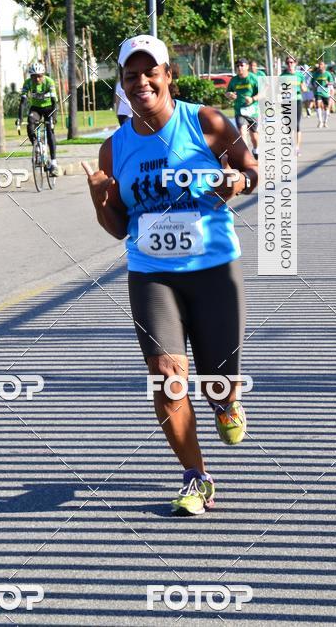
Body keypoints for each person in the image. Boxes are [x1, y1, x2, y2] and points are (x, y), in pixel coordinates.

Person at [82, 35, 258, 516]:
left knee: (219, 379)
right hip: (151, 274)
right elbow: (119, 227)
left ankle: (226, 403)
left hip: (213, 269)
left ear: (167, 75)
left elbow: (251, 169)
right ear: (122, 85)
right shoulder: (114, 148)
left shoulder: (206, 121)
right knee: (166, 377)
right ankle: (196, 477)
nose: (141, 82)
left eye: (150, 72)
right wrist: (99, 200)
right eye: (131, 76)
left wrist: (237, 181)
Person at [17, 62, 59, 177]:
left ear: (43, 75)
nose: (37, 79)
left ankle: (54, 163)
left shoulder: (49, 82)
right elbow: (23, 102)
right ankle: (38, 148)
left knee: (50, 131)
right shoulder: (28, 83)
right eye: (34, 76)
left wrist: (54, 117)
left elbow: (54, 102)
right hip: (36, 109)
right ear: (31, 76)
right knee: (30, 125)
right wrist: (19, 118)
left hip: (49, 108)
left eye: (39, 76)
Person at [226, 58, 259, 158]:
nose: (239, 67)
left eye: (242, 65)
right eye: (237, 66)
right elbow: (227, 93)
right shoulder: (234, 80)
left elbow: (263, 92)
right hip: (239, 111)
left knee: (254, 136)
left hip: (253, 111)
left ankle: (256, 149)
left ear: (247, 66)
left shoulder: (253, 78)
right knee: (242, 133)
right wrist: (230, 95)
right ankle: (246, 156)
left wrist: (252, 99)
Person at [280, 56, 304, 154]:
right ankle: (292, 144)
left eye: (291, 62)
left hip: (297, 100)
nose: (290, 64)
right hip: (286, 101)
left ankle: (297, 148)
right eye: (288, 63)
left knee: (296, 124)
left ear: (295, 63)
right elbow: (278, 89)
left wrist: (303, 88)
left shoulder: (299, 75)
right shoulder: (282, 76)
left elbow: (304, 88)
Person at [310, 60, 334, 128]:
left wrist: (328, 83)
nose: (320, 66)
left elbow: (332, 82)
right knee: (318, 105)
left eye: (321, 65)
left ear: (324, 66)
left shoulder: (328, 74)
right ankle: (320, 121)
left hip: (325, 92)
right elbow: (312, 82)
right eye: (319, 65)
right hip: (318, 92)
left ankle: (325, 122)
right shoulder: (315, 74)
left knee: (326, 107)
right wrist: (314, 85)